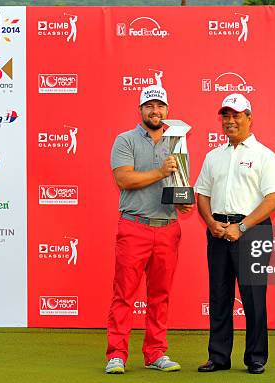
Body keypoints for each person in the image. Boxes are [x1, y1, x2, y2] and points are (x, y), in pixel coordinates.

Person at [194, 93, 275, 375]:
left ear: (249, 118)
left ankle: (256, 357)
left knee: (253, 297)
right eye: (226, 115)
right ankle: (219, 356)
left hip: (253, 232)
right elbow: (202, 194)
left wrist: (242, 226)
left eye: (236, 115)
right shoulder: (213, 156)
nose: (230, 120)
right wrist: (211, 222)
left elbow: (274, 198)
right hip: (218, 231)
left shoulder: (264, 155)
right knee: (219, 296)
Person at [105, 85, 193, 374]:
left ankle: (155, 353)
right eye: (149, 106)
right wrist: (160, 172)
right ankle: (116, 355)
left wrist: (184, 202)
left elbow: (178, 182)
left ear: (167, 110)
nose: (155, 111)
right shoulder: (125, 140)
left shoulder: (176, 141)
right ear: (140, 109)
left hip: (167, 229)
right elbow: (124, 180)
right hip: (134, 226)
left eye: (160, 106)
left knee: (160, 295)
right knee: (124, 295)